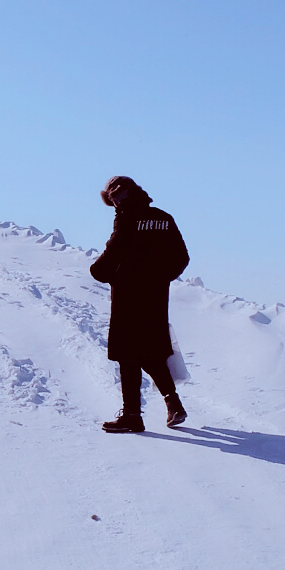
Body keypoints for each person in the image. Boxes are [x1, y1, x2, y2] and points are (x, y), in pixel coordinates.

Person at [89, 175, 190, 433]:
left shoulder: (127, 219)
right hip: (155, 298)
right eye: (113, 199)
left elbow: (114, 252)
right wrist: (159, 278)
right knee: (151, 352)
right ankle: (173, 404)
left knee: (128, 355)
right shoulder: (163, 218)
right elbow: (182, 256)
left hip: (128, 297)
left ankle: (133, 415)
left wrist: (100, 272)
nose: (117, 202)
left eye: (117, 197)